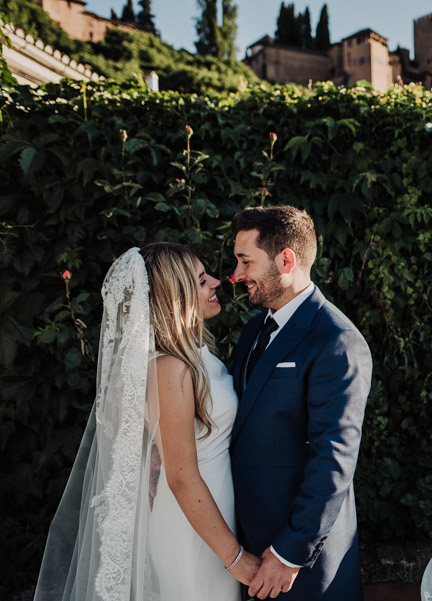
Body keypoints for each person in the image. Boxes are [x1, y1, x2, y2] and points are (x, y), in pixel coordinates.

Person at [34, 243, 259, 601]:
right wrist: (235, 559)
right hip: (192, 529)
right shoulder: (169, 366)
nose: (217, 282)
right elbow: (182, 477)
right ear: (176, 295)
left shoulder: (195, 354)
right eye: (202, 280)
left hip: (215, 513)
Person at [230, 206, 372, 601]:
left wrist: (290, 552)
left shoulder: (337, 340)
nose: (237, 275)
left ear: (285, 259)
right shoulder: (254, 329)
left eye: (245, 261)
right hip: (246, 548)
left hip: (300, 563)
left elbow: (334, 458)